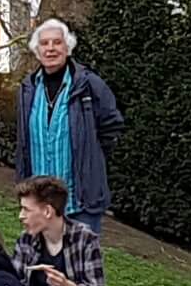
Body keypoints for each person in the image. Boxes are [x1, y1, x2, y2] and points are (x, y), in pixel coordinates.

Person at [14, 17, 125, 237]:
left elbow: (111, 125)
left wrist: (92, 154)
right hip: (40, 199)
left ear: (68, 47)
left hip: (80, 199)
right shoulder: (29, 88)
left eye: (57, 42)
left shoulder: (88, 84)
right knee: (44, 264)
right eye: (45, 43)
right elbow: (23, 139)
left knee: (80, 265)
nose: (51, 48)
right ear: (37, 51)